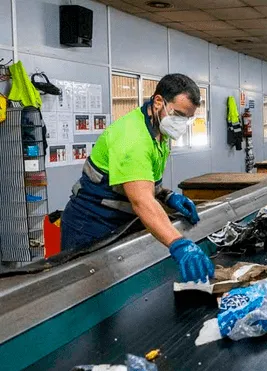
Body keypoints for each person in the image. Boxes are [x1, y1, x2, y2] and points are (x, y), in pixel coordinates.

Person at [60, 74, 214, 283]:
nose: (181, 123)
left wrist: (167, 196)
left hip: (118, 223)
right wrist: (178, 243)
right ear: (159, 101)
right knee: (86, 292)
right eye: (178, 114)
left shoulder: (159, 132)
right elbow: (141, 201)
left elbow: (145, 181)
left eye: (187, 118)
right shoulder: (133, 137)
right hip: (90, 226)